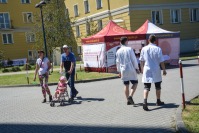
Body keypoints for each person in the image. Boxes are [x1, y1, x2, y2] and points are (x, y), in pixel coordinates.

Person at [139, 34, 167, 111]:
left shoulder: (144, 49)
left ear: (148, 40)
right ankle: (158, 101)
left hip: (147, 69)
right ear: (155, 40)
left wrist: (141, 69)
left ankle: (145, 101)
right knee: (158, 86)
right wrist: (164, 70)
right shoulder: (158, 49)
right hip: (156, 69)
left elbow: (141, 60)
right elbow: (161, 61)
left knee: (146, 87)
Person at [116, 37, 140, 105]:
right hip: (130, 68)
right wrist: (137, 68)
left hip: (123, 69)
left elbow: (117, 62)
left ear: (120, 42)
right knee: (135, 83)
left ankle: (128, 100)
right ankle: (130, 96)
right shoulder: (129, 49)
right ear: (126, 42)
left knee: (126, 85)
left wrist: (119, 71)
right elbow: (134, 59)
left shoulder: (118, 51)